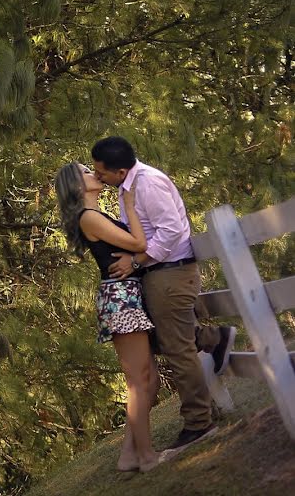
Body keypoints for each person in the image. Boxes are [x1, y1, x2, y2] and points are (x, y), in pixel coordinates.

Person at [91, 136, 236, 451]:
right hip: (157, 275)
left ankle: (199, 423)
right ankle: (213, 338)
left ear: (119, 170)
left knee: (176, 348)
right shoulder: (126, 188)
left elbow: (170, 231)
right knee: (161, 340)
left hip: (171, 273)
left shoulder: (148, 184)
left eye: (100, 171)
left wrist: (137, 261)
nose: (97, 176)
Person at [56, 162, 171, 472]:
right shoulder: (89, 217)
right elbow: (138, 243)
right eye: (84, 170)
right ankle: (147, 457)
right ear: (77, 186)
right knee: (138, 382)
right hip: (120, 298)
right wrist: (131, 205)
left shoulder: (97, 216)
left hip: (128, 293)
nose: (93, 171)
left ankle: (129, 455)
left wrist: (134, 258)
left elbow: (135, 250)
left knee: (151, 379)